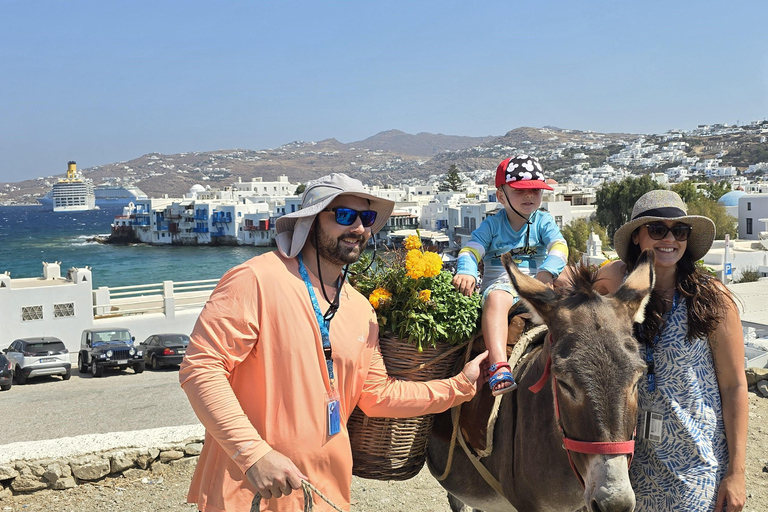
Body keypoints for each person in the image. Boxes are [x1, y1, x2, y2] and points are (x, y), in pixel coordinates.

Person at [179, 173, 488, 512]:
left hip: (325, 494)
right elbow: (201, 369)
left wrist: (460, 386)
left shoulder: (360, 308)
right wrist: (253, 454)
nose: (358, 228)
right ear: (310, 221)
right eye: (344, 215)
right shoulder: (256, 279)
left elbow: (377, 394)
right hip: (248, 492)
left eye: (366, 218)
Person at [596, 189, 747, 512]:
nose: (670, 239)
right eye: (657, 230)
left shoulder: (712, 299)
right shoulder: (620, 293)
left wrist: (736, 473)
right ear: (637, 237)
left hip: (696, 465)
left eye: (679, 231)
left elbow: (734, 386)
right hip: (634, 467)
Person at [452, 155, 568, 395]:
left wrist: (547, 273)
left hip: (536, 283)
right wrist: (467, 271)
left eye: (535, 190)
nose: (529, 196)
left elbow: (559, 246)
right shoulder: (492, 225)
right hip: (502, 283)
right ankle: (498, 365)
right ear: (501, 196)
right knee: (496, 299)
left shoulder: (543, 221)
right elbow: (471, 249)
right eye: (519, 190)